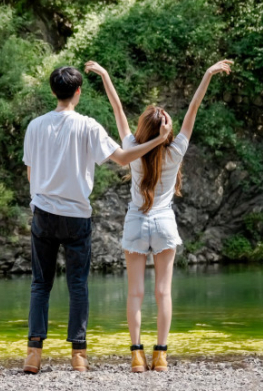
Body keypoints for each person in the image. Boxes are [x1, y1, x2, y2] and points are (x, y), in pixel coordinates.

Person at [84, 59, 233, 372]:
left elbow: (118, 111)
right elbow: (193, 109)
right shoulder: (175, 150)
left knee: (135, 293)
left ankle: (137, 355)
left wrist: (106, 76)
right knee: (163, 291)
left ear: (144, 129)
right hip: (164, 223)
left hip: (135, 223)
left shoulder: (132, 148)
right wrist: (207, 74)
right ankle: (160, 355)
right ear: (166, 130)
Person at [21, 66, 172, 374]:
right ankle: (78, 356)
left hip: (44, 213)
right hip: (76, 215)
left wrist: (38, 201)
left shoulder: (35, 126)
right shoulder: (88, 126)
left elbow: (30, 171)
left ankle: (33, 355)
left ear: (53, 91)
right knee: (78, 284)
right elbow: (124, 158)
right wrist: (159, 141)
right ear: (78, 92)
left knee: (40, 284)